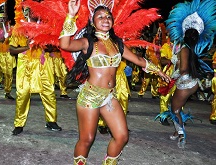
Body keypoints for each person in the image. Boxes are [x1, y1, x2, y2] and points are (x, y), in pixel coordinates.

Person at [59, 0, 170, 164]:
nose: (105, 19)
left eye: (108, 16)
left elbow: (138, 59)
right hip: (90, 96)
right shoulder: (87, 42)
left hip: (109, 96)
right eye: (100, 16)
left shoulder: (117, 44)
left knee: (122, 136)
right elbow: (65, 44)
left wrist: (158, 71)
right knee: (87, 139)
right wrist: (71, 15)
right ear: (92, 21)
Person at [165, 0, 216, 148]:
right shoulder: (192, 49)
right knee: (177, 107)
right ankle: (177, 131)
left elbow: (183, 69)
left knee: (174, 109)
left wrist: (174, 75)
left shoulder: (184, 49)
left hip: (185, 82)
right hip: (192, 83)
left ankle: (181, 134)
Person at [10, 0, 62, 135]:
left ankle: (51, 121)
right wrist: (28, 46)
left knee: (49, 92)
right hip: (25, 64)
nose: (31, 12)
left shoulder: (46, 26)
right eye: (28, 9)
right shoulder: (18, 28)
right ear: (24, 11)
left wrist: (46, 45)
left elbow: (54, 46)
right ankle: (19, 123)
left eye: (34, 9)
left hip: (44, 63)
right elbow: (11, 50)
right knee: (22, 94)